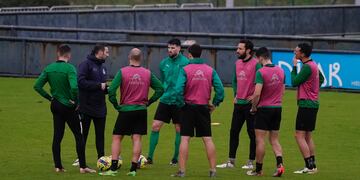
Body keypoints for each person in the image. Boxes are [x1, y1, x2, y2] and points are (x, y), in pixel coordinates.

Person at [99, 48, 163, 176]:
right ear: (141, 58)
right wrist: (149, 102)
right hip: (141, 110)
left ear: (129, 57)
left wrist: (116, 105)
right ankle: (133, 170)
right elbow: (160, 89)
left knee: (117, 138)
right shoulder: (147, 73)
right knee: (137, 138)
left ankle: (113, 169)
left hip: (126, 110)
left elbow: (111, 91)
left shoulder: (122, 72)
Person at [33, 44, 96, 174]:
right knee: (79, 135)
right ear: (69, 55)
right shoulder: (70, 68)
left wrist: (49, 97)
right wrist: (75, 101)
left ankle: (58, 166)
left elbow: (37, 86)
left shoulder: (49, 68)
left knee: (57, 135)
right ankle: (83, 167)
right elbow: (74, 87)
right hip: (68, 105)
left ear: (58, 54)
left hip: (55, 104)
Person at [172, 44, 224, 177]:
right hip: (203, 108)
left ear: (189, 55)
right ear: (200, 54)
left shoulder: (185, 69)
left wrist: (181, 104)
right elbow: (220, 90)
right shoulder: (210, 70)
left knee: (185, 139)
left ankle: (182, 171)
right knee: (207, 139)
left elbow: (178, 90)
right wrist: (215, 103)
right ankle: (213, 171)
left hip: (188, 107)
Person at [217, 40, 261, 169]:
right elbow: (234, 80)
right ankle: (231, 161)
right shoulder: (237, 63)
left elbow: (261, 81)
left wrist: (254, 96)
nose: (237, 51)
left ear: (248, 50)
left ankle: (250, 162)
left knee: (251, 133)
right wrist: (236, 94)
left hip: (250, 105)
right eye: (237, 48)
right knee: (234, 131)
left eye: (240, 49)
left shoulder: (257, 64)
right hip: (238, 104)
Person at [147, 38, 189, 165]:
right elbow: (163, 81)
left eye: (173, 48)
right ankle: (149, 157)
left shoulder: (186, 63)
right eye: (169, 48)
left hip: (179, 101)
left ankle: (175, 159)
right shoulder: (163, 63)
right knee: (155, 126)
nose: (170, 50)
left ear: (179, 48)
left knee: (178, 129)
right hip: (165, 100)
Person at [246, 47, 285, 177]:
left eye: (257, 59)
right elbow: (282, 91)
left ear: (260, 58)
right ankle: (280, 165)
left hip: (264, 109)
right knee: (274, 140)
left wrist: (253, 107)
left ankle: (258, 170)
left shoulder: (261, 72)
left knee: (260, 140)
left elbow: (257, 93)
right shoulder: (281, 71)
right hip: (277, 108)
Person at [72, 44, 109, 166]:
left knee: (100, 136)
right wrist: (99, 86)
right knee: (84, 134)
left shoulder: (103, 67)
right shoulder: (85, 64)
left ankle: (101, 160)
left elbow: (102, 86)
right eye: (106, 52)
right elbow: (81, 82)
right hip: (86, 107)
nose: (108, 55)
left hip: (100, 107)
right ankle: (80, 159)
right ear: (99, 52)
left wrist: (108, 89)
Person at [292, 43, 324, 174]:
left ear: (303, 54)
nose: (295, 52)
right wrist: (313, 89)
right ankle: (313, 165)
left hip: (306, 104)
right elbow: (321, 79)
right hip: (313, 103)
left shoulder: (306, 67)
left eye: (297, 51)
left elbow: (294, 82)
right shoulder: (314, 65)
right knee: (307, 136)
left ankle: (309, 166)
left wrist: (294, 67)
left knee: (299, 135)